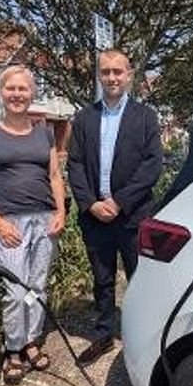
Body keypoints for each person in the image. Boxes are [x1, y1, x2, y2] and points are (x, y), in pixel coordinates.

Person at [0, 65, 66, 384]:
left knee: (37, 286)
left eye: (23, 89)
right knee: (14, 290)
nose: (17, 94)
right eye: (11, 88)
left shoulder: (45, 132)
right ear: (1, 92)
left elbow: (54, 176)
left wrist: (61, 211)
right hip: (9, 221)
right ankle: (12, 350)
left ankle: (31, 342)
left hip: (44, 220)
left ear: (32, 93)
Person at [67, 48, 163, 367]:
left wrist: (119, 202)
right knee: (102, 279)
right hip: (95, 218)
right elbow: (76, 164)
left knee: (139, 278)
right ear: (99, 75)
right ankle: (104, 333)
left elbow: (152, 166)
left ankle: (141, 337)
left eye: (117, 72)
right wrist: (90, 203)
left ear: (129, 75)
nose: (111, 78)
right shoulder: (84, 118)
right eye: (105, 72)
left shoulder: (146, 116)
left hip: (133, 216)